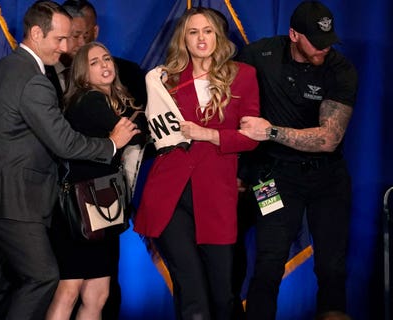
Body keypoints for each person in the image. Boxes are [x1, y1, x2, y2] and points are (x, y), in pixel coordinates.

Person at [0, 1, 139, 319]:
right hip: (14, 201)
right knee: (41, 278)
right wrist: (111, 144)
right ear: (36, 33)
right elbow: (65, 143)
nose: (66, 47)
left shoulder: (0, 69)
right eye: (60, 39)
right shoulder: (34, 80)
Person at [134, 7, 260, 320]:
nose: (201, 38)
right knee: (192, 297)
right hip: (169, 196)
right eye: (193, 32)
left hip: (216, 196)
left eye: (207, 31)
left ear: (219, 35)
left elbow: (251, 138)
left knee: (222, 297)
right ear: (184, 39)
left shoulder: (244, 75)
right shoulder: (165, 79)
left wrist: (207, 134)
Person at [236, 1, 358, 319]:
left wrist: (271, 131)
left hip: (328, 178)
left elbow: (329, 139)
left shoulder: (341, 70)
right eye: (316, 44)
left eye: (328, 43)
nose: (323, 50)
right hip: (271, 178)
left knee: (332, 266)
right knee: (268, 261)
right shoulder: (258, 55)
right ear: (293, 34)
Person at [46, 41, 147, 320]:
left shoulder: (107, 100)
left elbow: (131, 134)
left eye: (106, 59)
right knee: (70, 290)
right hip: (79, 210)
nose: (104, 65)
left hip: (101, 207)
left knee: (98, 293)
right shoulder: (90, 99)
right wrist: (138, 127)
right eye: (94, 62)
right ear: (81, 73)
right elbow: (135, 135)